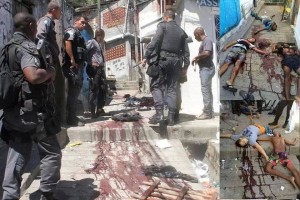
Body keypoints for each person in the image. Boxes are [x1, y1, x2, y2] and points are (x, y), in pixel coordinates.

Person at [0, 12, 61, 200]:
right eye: (35, 27)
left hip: (13, 113)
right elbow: (33, 76)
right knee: (51, 152)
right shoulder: (26, 47)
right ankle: (46, 194)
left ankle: (9, 196)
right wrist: (50, 71)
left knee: (17, 153)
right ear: (31, 26)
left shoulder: (7, 47)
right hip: (33, 114)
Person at [142, 9, 190, 126]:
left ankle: (159, 114)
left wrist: (145, 56)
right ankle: (172, 118)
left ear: (165, 17)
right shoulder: (181, 31)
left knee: (156, 85)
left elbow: (154, 42)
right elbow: (186, 52)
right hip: (177, 62)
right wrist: (185, 67)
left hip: (163, 60)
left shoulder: (163, 26)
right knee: (172, 89)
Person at [36, 1, 64, 123]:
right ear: (53, 10)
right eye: (59, 10)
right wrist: (48, 59)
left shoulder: (50, 23)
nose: (61, 13)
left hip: (52, 61)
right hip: (50, 63)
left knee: (57, 90)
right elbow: (39, 38)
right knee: (56, 90)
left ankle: (56, 120)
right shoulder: (45, 21)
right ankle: (55, 121)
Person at [62, 16, 87, 126]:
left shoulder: (78, 33)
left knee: (75, 91)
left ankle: (72, 117)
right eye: (82, 22)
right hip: (73, 67)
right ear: (75, 21)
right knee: (73, 92)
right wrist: (72, 59)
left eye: (85, 23)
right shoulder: (72, 30)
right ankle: (71, 119)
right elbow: (68, 43)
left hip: (78, 66)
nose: (84, 25)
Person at [192, 27, 215, 119]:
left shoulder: (207, 40)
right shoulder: (206, 41)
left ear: (198, 34)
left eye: (195, 36)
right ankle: (209, 111)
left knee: (205, 90)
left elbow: (206, 53)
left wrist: (196, 58)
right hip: (206, 68)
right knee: (208, 90)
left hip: (206, 69)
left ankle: (207, 113)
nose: (195, 38)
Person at [86, 28, 107, 118]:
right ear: (99, 35)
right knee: (94, 89)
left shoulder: (99, 44)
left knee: (102, 89)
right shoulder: (92, 42)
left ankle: (99, 109)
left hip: (100, 69)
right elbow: (84, 52)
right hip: (94, 69)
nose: (102, 38)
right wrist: (90, 62)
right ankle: (92, 112)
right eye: (101, 36)